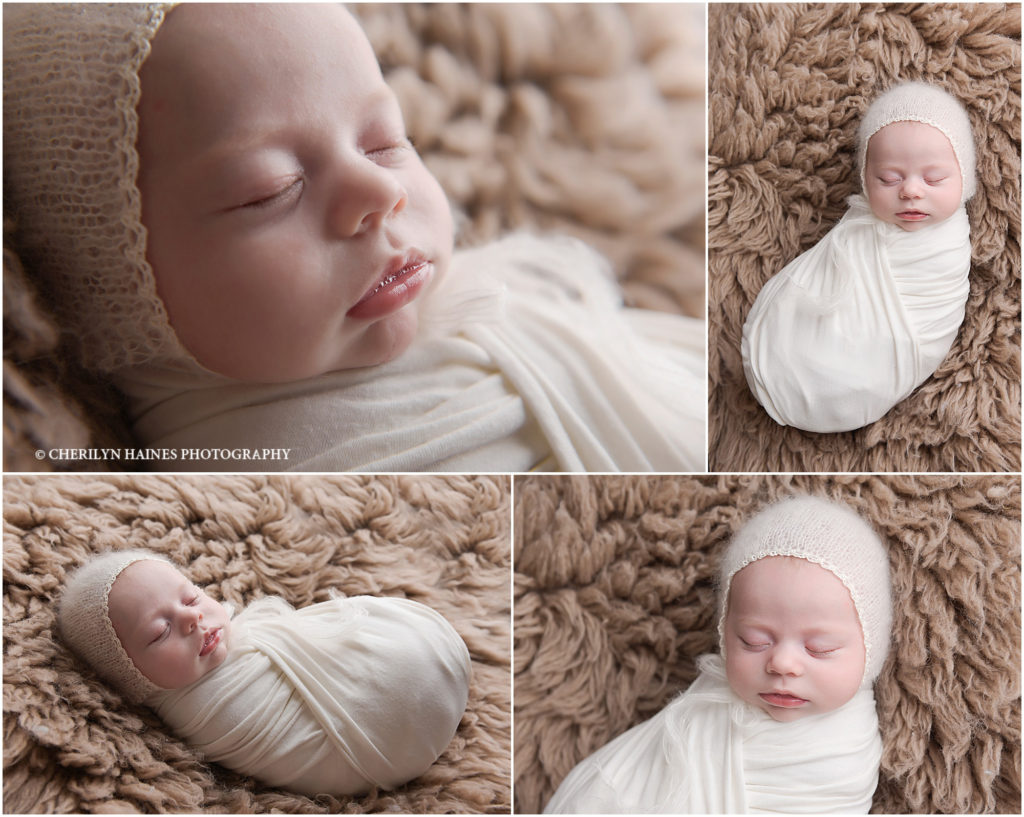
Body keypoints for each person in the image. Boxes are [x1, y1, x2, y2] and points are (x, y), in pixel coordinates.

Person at [3, 3, 705, 472]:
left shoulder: (510, 320)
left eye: (384, 142)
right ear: (119, 290)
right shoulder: (286, 479)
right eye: (271, 191)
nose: (381, 196)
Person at [545, 496, 892, 813]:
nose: (782, 664)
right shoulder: (703, 718)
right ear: (726, 633)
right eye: (754, 641)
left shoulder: (851, 745)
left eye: (820, 649)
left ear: (871, 650)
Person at [58, 549, 472, 796]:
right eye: (161, 631)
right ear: (132, 677)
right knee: (398, 634)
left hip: (403, 729)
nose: (191, 619)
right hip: (374, 747)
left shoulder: (208, 656)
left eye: (191, 596)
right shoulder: (206, 706)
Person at [742, 82, 974, 433]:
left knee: (859, 361)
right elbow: (829, 268)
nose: (911, 190)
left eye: (934, 178)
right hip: (795, 349)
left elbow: (935, 302)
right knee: (802, 316)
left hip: (891, 348)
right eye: (888, 178)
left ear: (964, 179)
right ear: (865, 181)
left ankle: (838, 384)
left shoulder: (948, 243)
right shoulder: (861, 224)